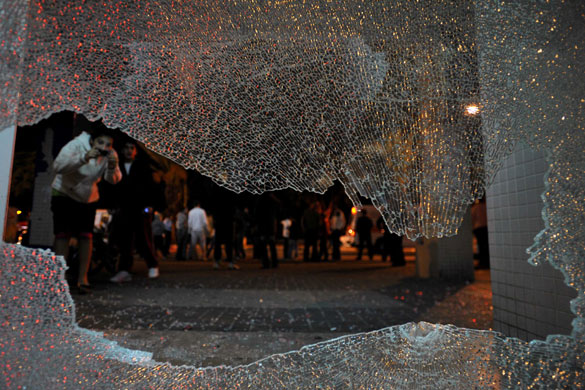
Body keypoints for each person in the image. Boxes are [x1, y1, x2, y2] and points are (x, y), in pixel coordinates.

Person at [51, 123, 122, 294]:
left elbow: (113, 180)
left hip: (88, 197)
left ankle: (83, 278)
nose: (104, 147)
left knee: (86, 236)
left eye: (108, 144)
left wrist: (112, 166)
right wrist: (84, 157)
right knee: (62, 236)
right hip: (64, 192)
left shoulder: (110, 154)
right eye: (100, 143)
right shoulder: (76, 145)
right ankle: (59, 279)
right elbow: (58, 166)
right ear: (91, 141)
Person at [109, 139, 160, 283]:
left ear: (136, 151)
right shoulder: (117, 166)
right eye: (126, 147)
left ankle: (152, 264)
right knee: (125, 239)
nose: (129, 151)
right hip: (124, 207)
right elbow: (113, 187)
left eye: (132, 148)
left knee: (143, 237)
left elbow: (151, 187)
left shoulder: (143, 167)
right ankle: (124, 269)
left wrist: (150, 205)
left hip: (139, 207)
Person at [472, 198, 490, 269]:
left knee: (481, 246)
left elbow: (472, 218)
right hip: (485, 227)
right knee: (486, 246)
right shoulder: (485, 206)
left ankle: (482, 262)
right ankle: (486, 262)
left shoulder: (475, 208)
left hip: (478, 228)